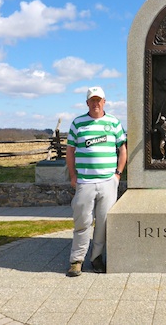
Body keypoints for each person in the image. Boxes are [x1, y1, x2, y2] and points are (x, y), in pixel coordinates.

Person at [66, 86, 127, 277]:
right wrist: (73, 176)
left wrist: (118, 174)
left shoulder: (114, 123)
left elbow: (122, 149)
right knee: (82, 221)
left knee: (103, 222)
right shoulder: (78, 124)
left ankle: (96, 258)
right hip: (85, 181)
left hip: (108, 181)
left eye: (98, 100)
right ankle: (77, 260)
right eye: (92, 100)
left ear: (104, 102)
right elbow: (70, 151)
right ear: (87, 103)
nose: (95, 104)